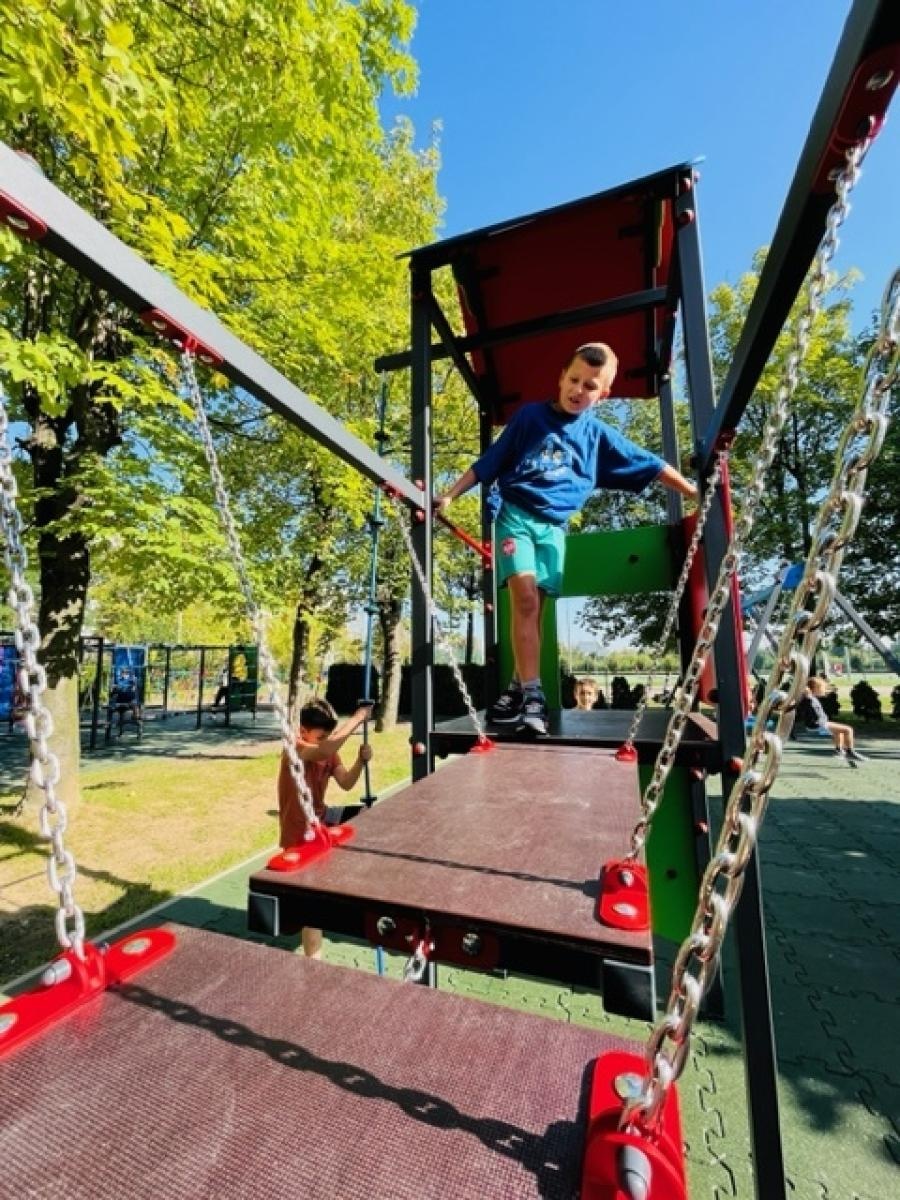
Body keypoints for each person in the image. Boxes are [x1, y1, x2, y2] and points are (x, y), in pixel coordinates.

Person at [437, 342, 698, 736]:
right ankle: (535, 695)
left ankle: (514, 691)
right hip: (515, 517)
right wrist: (450, 495)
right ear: (560, 378)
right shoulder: (530, 418)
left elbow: (652, 463)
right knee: (524, 598)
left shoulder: (597, 435)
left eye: (591, 385)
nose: (579, 390)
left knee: (535, 613)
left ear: (604, 393)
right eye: (574, 380)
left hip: (554, 529)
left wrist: (694, 491)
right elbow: (487, 463)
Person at [277, 697, 374, 958]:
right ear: (304, 731)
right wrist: (356, 719)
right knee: (311, 903)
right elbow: (320, 751)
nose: (326, 742)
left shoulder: (328, 752)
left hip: (324, 818)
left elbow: (346, 782)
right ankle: (314, 958)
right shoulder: (294, 747)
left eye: (328, 736)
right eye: (321, 736)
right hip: (300, 831)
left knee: (369, 815)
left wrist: (359, 762)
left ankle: (357, 886)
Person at [800, 676, 866, 766]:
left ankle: (839, 751)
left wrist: (830, 689)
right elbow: (805, 688)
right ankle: (850, 752)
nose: (824, 690)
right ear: (815, 688)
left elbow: (819, 691)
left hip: (820, 723)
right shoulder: (808, 697)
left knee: (839, 732)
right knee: (848, 730)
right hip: (818, 725)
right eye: (822, 688)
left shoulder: (811, 697)